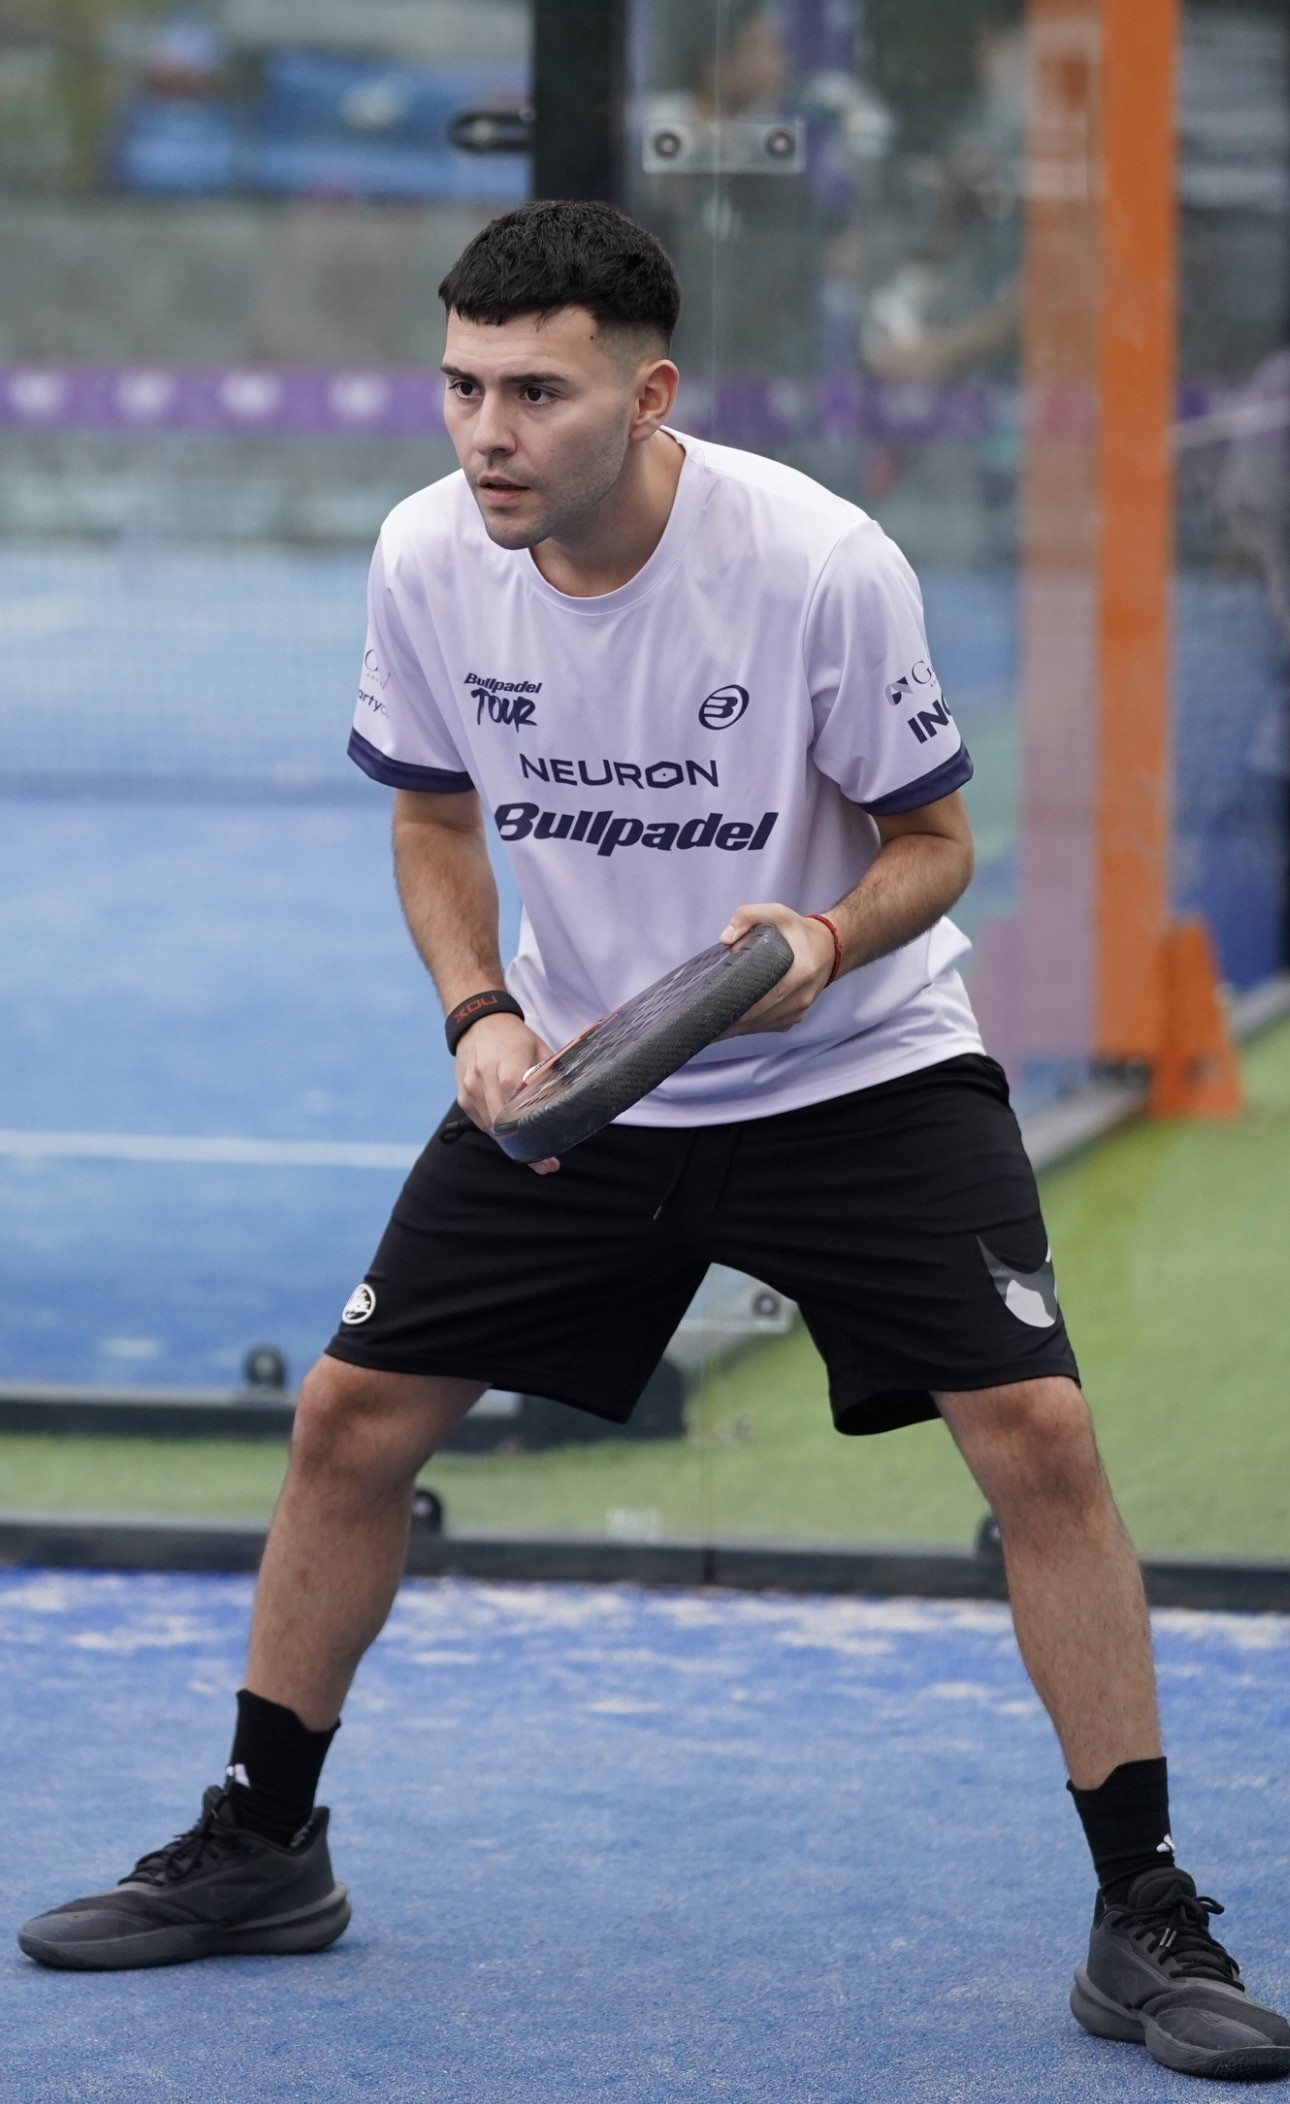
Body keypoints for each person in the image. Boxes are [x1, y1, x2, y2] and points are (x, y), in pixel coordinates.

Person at [18, 201, 1289, 2082]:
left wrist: (820, 940)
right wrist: (480, 1014)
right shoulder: (425, 554)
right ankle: (265, 1844)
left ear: (648, 394)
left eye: (535, 392)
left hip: (857, 1071)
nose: (487, 433)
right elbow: (433, 818)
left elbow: (935, 845)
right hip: (584, 1074)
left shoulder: (818, 564)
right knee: (347, 1420)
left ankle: (1145, 1913)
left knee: (1039, 1435)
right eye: (462, 387)